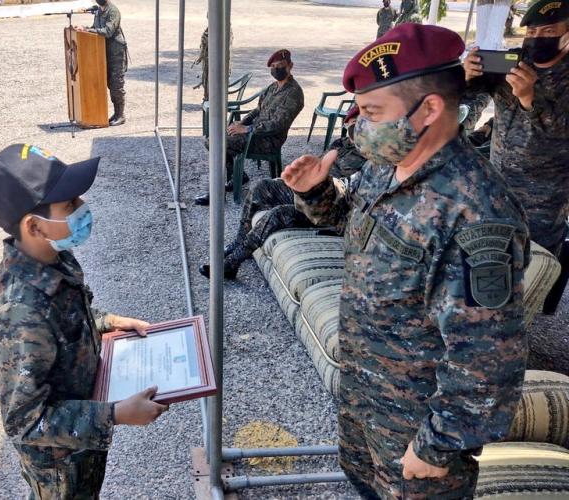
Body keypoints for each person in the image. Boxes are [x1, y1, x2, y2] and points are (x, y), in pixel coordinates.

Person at [283, 25, 529, 499]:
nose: (359, 126)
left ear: (429, 109)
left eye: (372, 113)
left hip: (416, 428)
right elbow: (363, 239)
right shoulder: (386, 166)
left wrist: (436, 446)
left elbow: (487, 357)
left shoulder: (476, 212)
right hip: (365, 400)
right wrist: (316, 193)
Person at [0, 144, 167, 499]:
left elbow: (67, 318)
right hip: (60, 464)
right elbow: (25, 421)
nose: (83, 209)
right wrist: (115, 415)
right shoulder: (20, 313)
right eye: (69, 205)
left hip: (81, 443)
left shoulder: (52, 256)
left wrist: (106, 322)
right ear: (33, 225)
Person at [199, 106, 366, 279]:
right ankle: (239, 241)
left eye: (365, 124)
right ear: (347, 124)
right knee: (262, 187)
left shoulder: (371, 160)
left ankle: (232, 263)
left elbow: (349, 195)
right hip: (312, 193)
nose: (360, 130)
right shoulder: (340, 144)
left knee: (278, 214)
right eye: (355, 124)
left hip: (329, 210)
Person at [463, 0, 569, 256]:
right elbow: (465, 95)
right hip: (497, 189)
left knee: (538, 267)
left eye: (548, 32)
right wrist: (467, 73)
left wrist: (529, 98)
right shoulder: (510, 62)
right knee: (491, 262)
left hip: (544, 200)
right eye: (531, 32)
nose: (536, 38)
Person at [194, 49, 304, 206]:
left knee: (216, 143)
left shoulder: (293, 93)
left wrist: (248, 129)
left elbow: (278, 124)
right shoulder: (272, 88)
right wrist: (241, 124)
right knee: (216, 138)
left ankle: (217, 193)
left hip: (267, 140)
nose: (276, 69)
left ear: (290, 66)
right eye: (273, 66)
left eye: (280, 65)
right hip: (255, 134)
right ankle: (237, 177)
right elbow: (257, 111)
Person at [80, 0, 128, 126]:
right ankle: (115, 114)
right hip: (102, 51)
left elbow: (108, 31)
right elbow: (96, 28)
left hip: (116, 52)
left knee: (116, 84)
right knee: (109, 84)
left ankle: (120, 115)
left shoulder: (113, 11)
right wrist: (85, 29)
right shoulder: (98, 11)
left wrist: (91, 31)